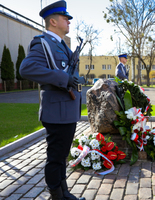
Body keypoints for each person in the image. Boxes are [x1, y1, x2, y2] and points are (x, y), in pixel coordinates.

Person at [19, 1, 85, 200]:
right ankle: (56, 195)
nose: (69, 22)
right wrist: (64, 79)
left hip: (66, 110)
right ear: (53, 21)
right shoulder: (43, 43)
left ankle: (64, 193)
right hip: (56, 112)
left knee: (61, 156)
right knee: (55, 157)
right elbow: (26, 68)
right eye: (65, 19)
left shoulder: (61, 44)